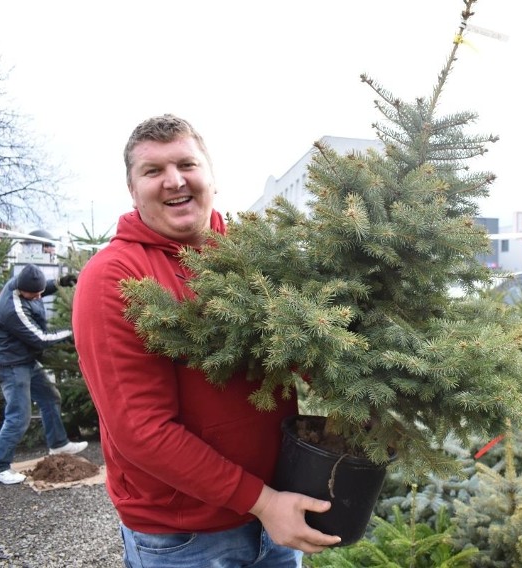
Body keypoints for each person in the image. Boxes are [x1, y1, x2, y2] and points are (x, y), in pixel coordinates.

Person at [72, 114, 340, 567]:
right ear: (133, 189)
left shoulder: (251, 257)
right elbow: (142, 430)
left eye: (187, 164)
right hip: (186, 539)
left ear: (211, 175)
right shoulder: (114, 277)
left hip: (277, 514)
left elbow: (309, 347)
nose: (174, 181)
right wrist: (262, 502)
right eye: (153, 171)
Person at [0, 264, 86, 485]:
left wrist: (59, 283)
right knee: (18, 417)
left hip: (24, 358)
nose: (39, 296)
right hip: (10, 363)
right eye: (36, 294)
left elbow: (38, 288)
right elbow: (40, 338)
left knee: (50, 397)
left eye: (41, 291)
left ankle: (58, 443)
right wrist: (73, 330)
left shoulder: (23, 286)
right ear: (22, 290)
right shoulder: (11, 309)